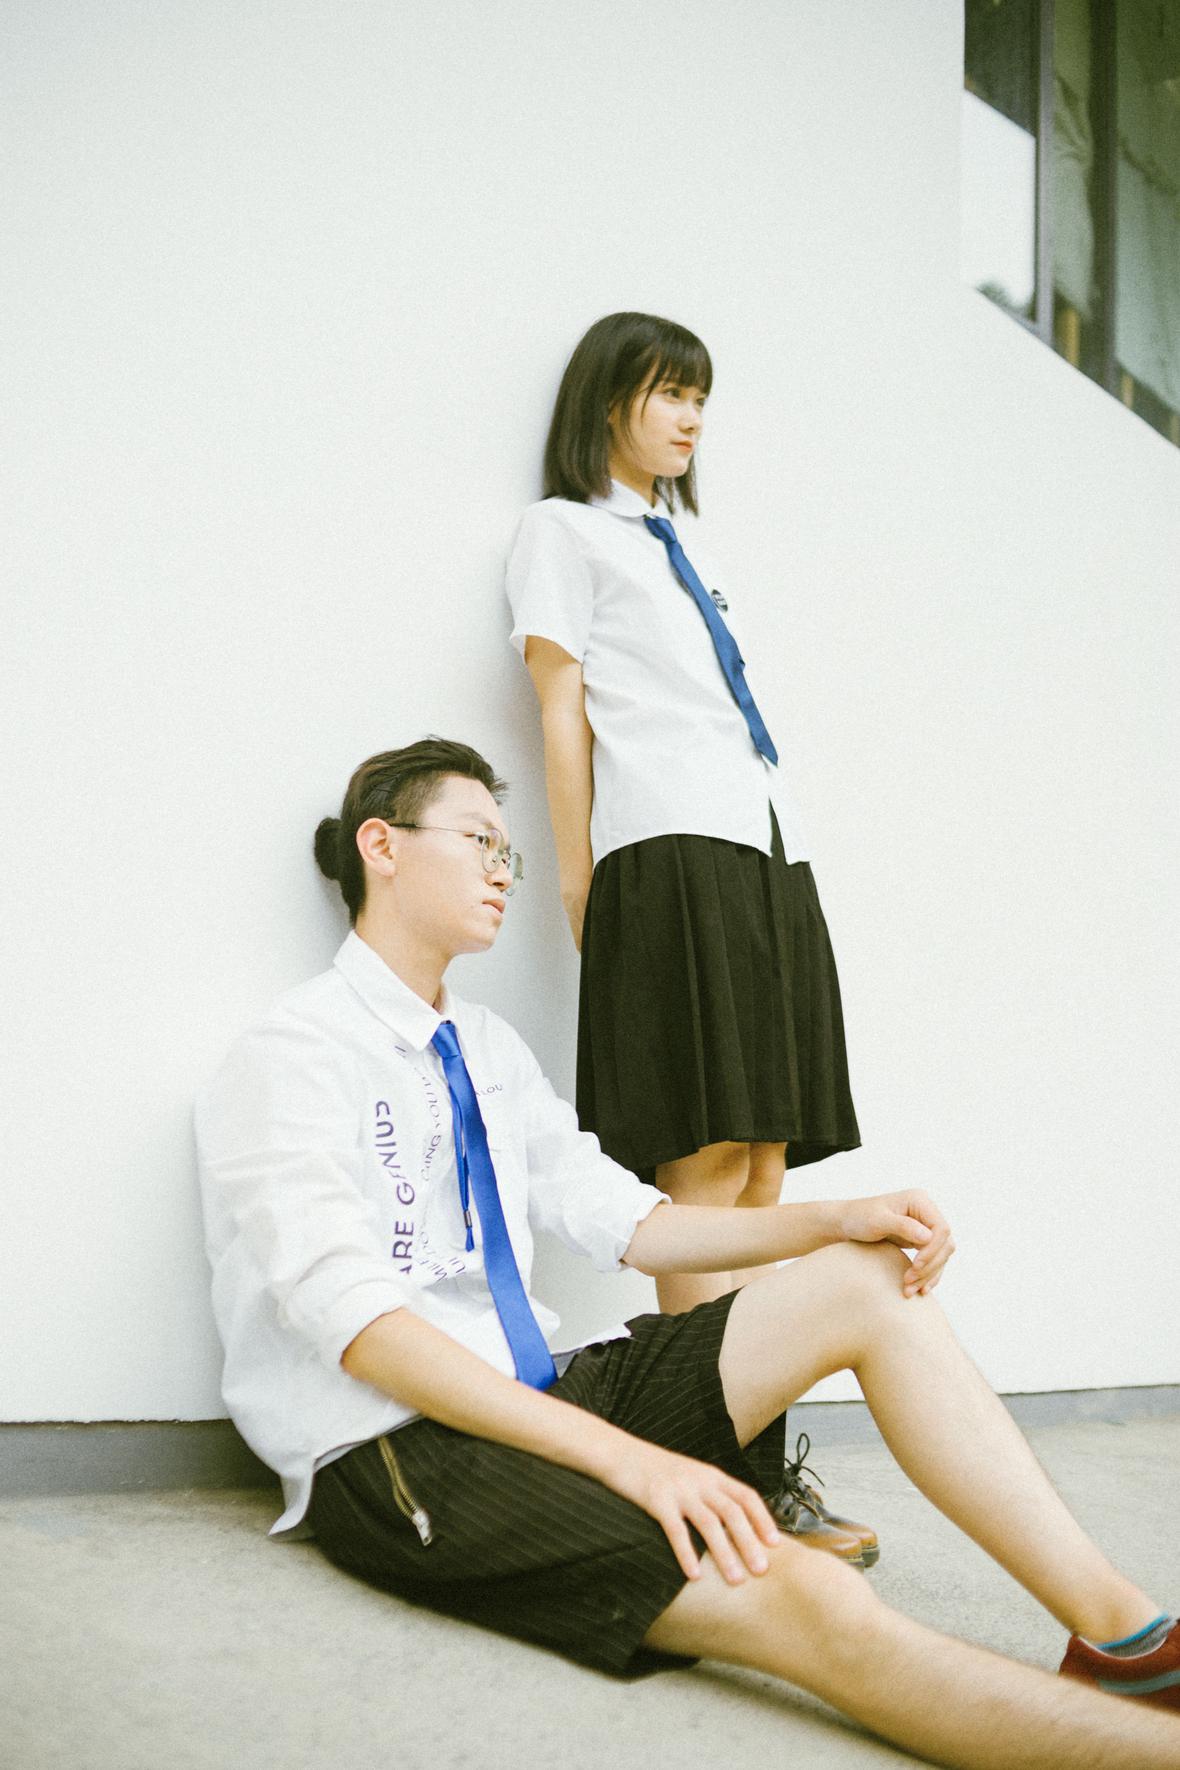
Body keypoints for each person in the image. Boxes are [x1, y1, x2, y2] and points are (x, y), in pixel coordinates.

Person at [195, 740, 1180, 1770]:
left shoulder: (485, 1047)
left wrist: (837, 1219)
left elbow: (636, 1223)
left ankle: (1130, 1643)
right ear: (382, 845)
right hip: (400, 1447)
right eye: (479, 840)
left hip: (538, 1393)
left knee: (868, 1282)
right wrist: (636, 1464)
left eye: (507, 853)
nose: (502, 871)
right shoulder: (292, 1054)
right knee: (804, 1593)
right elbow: (364, 1331)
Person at [506, 309, 864, 1549]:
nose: (690, 417)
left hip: (761, 846)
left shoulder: (687, 545)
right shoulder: (562, 533)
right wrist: (576, 876)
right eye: (669, 392)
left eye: (700, 397)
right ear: (607, 401)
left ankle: (752, 1463)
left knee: (761, 1164)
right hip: (664, 845)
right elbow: (561, 706)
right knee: (703, 1163)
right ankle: (721, 1478)